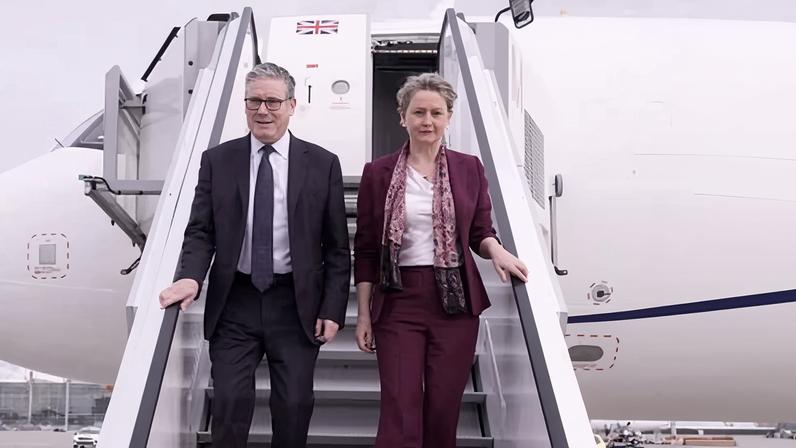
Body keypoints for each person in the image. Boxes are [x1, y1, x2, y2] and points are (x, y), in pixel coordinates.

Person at [158, 62, 350, 448]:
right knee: (229, 405)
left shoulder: (323, 163)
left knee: (294, 407)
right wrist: (191, 276)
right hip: (236, 301)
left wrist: (332, 310)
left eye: (273, 101)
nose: (263, 110)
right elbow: (201, 230)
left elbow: (337, 247)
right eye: (254, 102)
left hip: (295, 304)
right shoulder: (218, 160)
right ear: (245, 106)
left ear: (292, 105)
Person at [353, 73, 528, 448]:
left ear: (449, 117)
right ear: (403, 117)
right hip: (398, 300)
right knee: (400, 408)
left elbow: (480, 229)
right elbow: (367, 249)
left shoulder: (469, 168)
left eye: (436, 112)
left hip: (455, 303)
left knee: (443, 411)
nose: (427, 121)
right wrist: (364, 315)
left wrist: (496, 250)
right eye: (418, 112)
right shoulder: (378, 173)